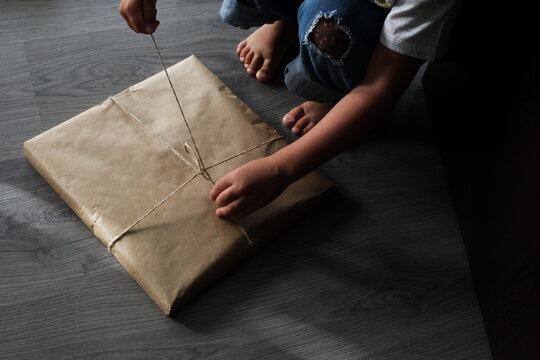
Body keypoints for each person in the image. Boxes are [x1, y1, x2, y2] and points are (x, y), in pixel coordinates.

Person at [118, 0, 461, 219]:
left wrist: (281, 169)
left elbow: (379, 89)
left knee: (331, 30)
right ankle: (287, 20)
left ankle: (333, 90)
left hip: (362, 18)